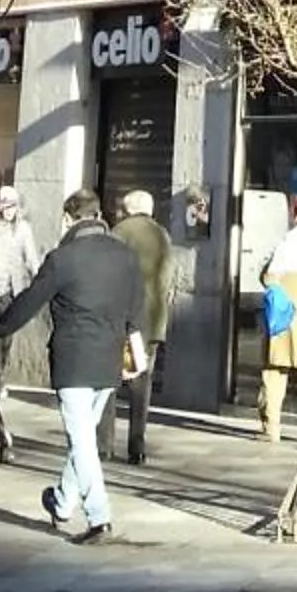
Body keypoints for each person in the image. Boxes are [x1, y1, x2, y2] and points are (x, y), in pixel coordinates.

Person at [0, 189, 143, 546]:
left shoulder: (63, 258)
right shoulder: (125, 257)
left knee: (83, 440)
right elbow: (136, 308)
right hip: (109, 361)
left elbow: (30, 300)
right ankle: (61, 503)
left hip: (74, 361)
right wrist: (135, 349)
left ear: (69, 219)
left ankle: (99, 517)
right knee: (84, 439)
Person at [102, 189, 174, 467]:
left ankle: (104, 443)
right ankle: (137, 445)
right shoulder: (162, 235)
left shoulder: (118, 232)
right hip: (151, 320)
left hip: (120, 316)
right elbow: (168, 278)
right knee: (141, 384)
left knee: (108, 379)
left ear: (127, 209)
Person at [257, 190, 297, 441]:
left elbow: (269, 277)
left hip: (283, 316)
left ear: (296, 216)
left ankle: (271, 427)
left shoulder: (288, 241)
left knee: (274, 373)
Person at [0, 184, 39, 413]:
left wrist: (39, 279)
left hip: (13, 289)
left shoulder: (24, 229)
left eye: (11, 206)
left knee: (7, 337)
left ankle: (0, 373)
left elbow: (31, 257)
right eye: (3, 205)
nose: (7, 210)